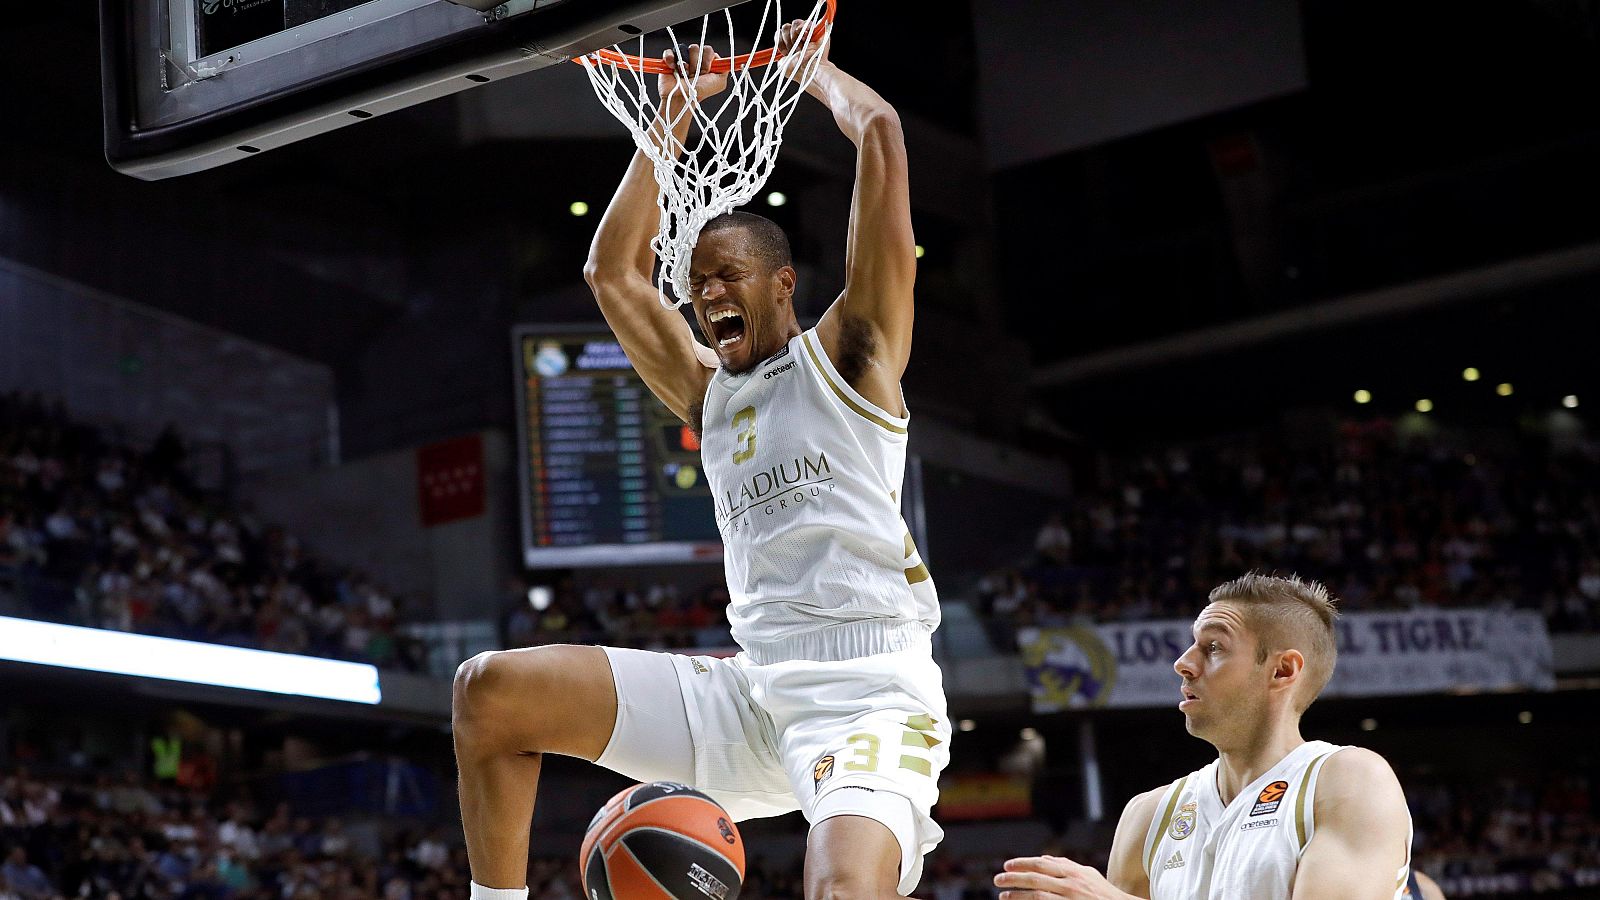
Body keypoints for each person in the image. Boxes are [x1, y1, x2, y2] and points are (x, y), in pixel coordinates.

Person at [454, 22, 946, 900]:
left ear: (783, 282)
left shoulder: (854, 356)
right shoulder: (708, 392)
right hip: (750, 693)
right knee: (490, 693)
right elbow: (613, 273)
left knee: (841, 890)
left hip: (868, 691)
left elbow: (882, 136)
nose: (706, 291)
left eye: (726, 275)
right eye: (695, 281)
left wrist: (818, 75)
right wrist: (667, 124)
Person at [996, 573, 1413, 899]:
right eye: (1192, 645)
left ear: (1282, 670)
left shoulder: (1350, 781)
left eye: (1213, 647)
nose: (1183, 663)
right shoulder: (1149, 815)